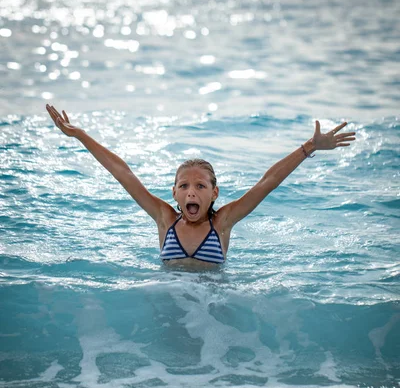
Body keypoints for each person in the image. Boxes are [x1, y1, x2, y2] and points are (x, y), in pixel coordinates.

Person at [46, 104, 356, 268]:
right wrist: (81, 135)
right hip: (172, 303)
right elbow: (123, 173)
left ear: (214, 193)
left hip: (213, 310)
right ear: (175, 194)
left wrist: (308, 148)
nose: (191, 192)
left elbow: (267, 183)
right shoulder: (164, 218)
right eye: (184, 186)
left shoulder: (223, 223)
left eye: (200, 186)